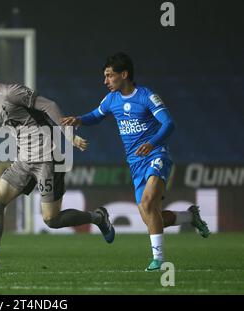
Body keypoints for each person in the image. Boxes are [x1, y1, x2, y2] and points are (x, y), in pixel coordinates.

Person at [61, 52, 210, 271]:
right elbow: (97, 115)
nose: (106, 81)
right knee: (149, 216)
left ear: (124, 74)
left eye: (110, 76)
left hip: (156, 155)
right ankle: (190, 217)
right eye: (105, 76)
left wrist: (152, 143)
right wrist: (79, 120)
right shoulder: (111, 99)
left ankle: (159, 260)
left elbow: (168, 124)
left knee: (148, 203)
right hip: (135, 162)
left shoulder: (147, 96)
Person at [0, 59, 115, 270]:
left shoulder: (11, 93)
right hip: (23, 161)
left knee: (51, 220)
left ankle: (98, 218)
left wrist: (69, 135)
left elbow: (49, 105)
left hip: (47, 158)